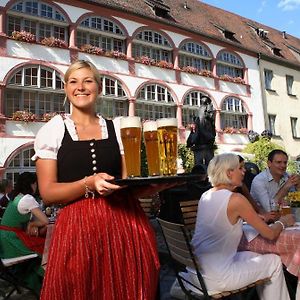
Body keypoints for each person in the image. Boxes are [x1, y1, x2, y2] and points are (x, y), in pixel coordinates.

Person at [33, 60, 171, 300]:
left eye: (88, 81)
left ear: (99, 87)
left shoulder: (117, 128)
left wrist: (153, 188)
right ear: (66, 88)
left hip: (125, 226)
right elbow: (47, 192)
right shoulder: (53, 130)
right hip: (77, 229)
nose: (81, 87)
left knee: (129, 290)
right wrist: (89, 182)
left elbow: (126, 186)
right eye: (73, 81)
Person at [171, 153, 294, 299]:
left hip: (196, 273)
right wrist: (284, 222)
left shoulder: (206, 195)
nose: (244, 171)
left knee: (261, 255)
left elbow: (224, 217)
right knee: (273, 261)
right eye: (240, 168)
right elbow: (270, 234)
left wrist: (255, 216)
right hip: (217, 278)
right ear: (229, 172)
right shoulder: (236, 199)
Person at [0, 172, 49, 295]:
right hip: (12, 241)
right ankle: (45, 281)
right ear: (32, 184)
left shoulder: (17, 197)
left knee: (41, 246)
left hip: (5, 239)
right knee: (46, 247)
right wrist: (33, 224)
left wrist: (32, 224)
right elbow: (45, 220)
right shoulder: (28, 198)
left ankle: (36, 280)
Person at [250, 149, 300, 221]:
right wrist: (285, 188)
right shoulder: (259, 180)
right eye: (279, 162)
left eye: (285, 162)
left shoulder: (288, 177)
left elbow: (296, 205)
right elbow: (270, 210)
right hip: (262, 223)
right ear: (269, 163)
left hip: (285, 220)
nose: (283, 165)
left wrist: (298, 186)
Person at [186, 97, 216, 167]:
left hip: (206, 126)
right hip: (200, 127)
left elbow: (211, 116)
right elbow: (199, 117)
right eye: (202, 98)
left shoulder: (209, 106)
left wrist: (206, 115)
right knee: (198, 163)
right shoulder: (200, 107)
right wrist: (195, 118)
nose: (202, 99)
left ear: (207, 101)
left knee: (208, 163)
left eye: (204, 99)